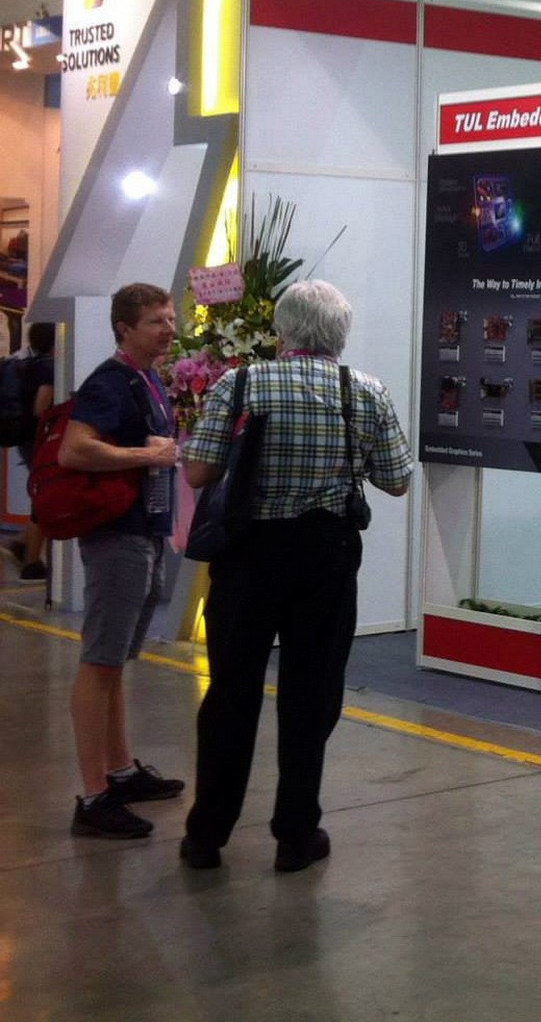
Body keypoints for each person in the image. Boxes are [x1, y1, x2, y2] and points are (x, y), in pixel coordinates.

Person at [178, 281, 413, 872]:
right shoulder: (364, 391)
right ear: (341, 334)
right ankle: (295, 833)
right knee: (311, 694)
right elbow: (396, 481)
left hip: (247, 556)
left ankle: (206, 836)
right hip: (325, 558)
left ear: (281, 330)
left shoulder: (239, 384)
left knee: (231, 693)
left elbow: (198, 473)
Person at [57, 285, 185, 839]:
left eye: (170, 319)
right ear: (124, 329)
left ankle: (121, 770)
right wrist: (145, 454)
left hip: (143, 530)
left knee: (115, 663)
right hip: (116, 535)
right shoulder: (109, 382)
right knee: (100, 661)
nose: (169, 329)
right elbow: (73, 449)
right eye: (156, 321)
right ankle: (94, 797)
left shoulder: (147, 379)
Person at [4, 319, 56, 580]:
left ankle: (24, 544)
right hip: (39, 442)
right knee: (46, 498)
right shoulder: (48, 367)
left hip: (26, 440)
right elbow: (40, 407)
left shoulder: (29, 363)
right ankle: (32, 561)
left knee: (43, 497)